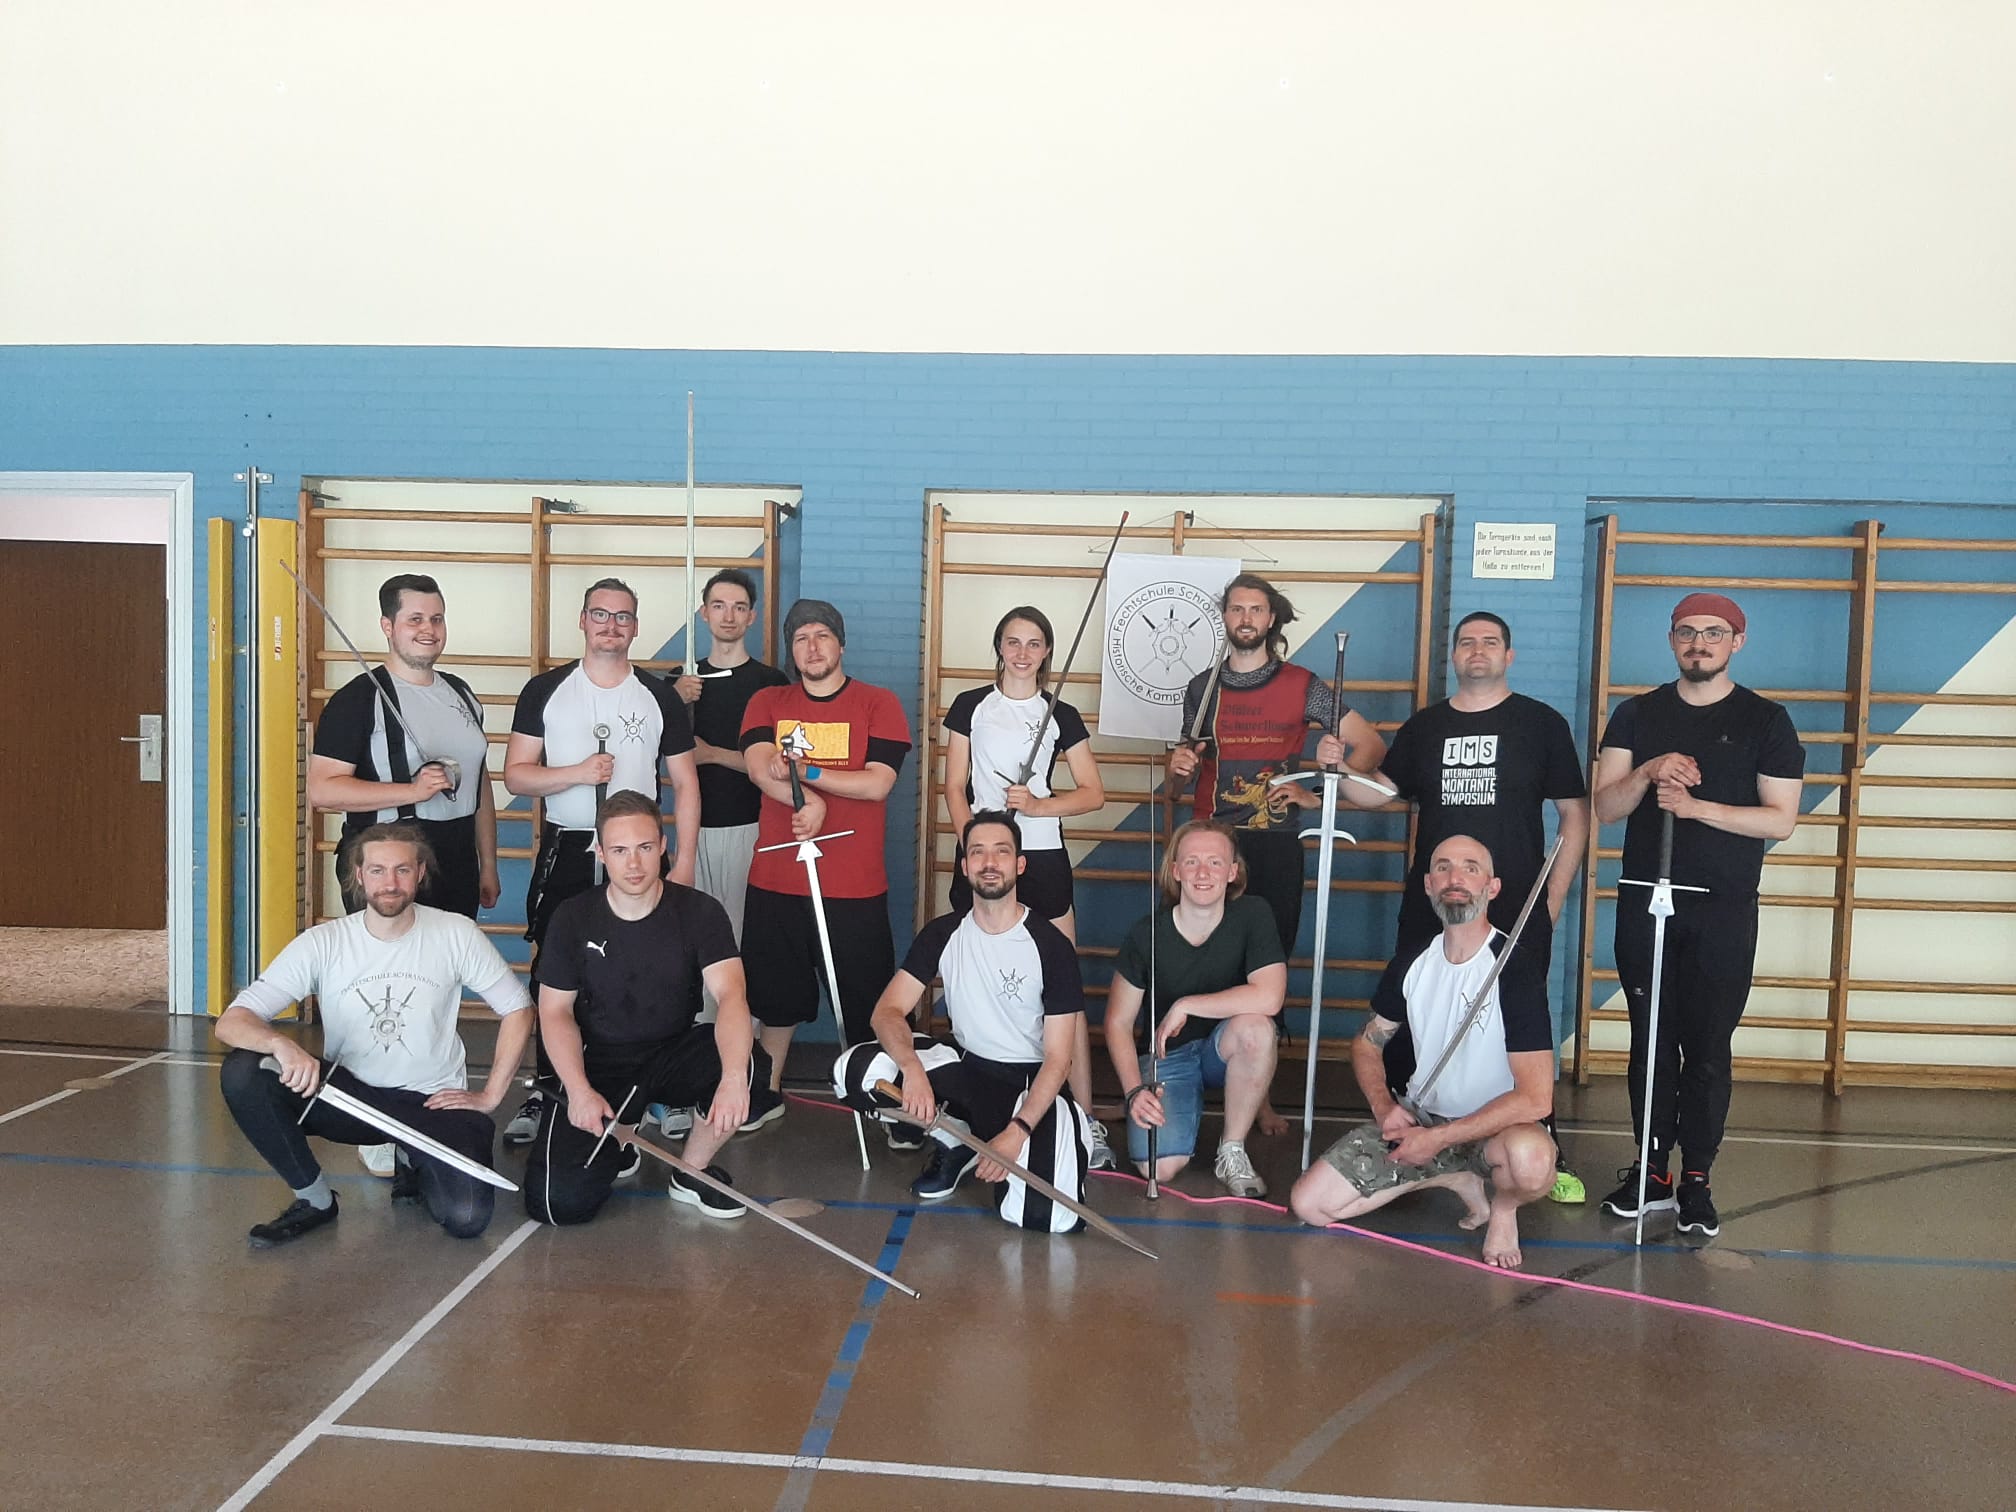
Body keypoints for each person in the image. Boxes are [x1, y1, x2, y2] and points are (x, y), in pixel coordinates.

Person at [1342, 610, 1591, 1202]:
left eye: (1490, 642)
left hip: (1514, 907)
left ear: (1509, 655)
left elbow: (1575, 815)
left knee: (1518, 1028)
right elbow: (1378, 794)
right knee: (1412, 1018)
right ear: (1454, 656)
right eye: (1466, 642)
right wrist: (1339, 767)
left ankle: (1540, 1144)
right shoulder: (1426, 727)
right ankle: (1410, 1136)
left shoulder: (1542, 723)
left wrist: (1553, 896)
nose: (1477, 650)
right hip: (1434, 904)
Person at [1591, 592, 1803, 1236]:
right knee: (1651, 1042)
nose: (1699, 643)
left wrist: (1695, 808)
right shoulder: (1636, 714)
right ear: (1671, 640)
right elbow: (1606, 807)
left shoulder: (1767, 720)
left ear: (1736, 641)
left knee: (1707, 1047)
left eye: (1713, 633)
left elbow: (1780, 821)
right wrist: (1650, 770)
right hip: (1646, 902)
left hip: (1722, 909)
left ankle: (1698, 1178)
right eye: (1687, 632)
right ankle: (1651, 1170)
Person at [214, 824, 533, 1247]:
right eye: (378, 870)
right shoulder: (324, 942)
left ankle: (411, 1158)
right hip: (351, 1099)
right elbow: (232, 1021)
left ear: (420, 873)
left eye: (402, 870)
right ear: (359, 875)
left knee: (467, 1216)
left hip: (433, 1102)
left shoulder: (455, 933)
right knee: (243, 1071)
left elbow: (518, 1008)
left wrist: (490, 1095)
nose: (390, 883)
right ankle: (315, 1199)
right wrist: (281, 1044)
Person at [1167, 573, 1385, 1135]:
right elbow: (1180, 778)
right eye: (1236, 608)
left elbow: (1372, 745)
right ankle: (1181, 1077)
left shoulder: (1303, 684)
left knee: (1266, 965)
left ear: (1272, 618)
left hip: (1276, 844)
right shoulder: (1202, 688)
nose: (1246, 618)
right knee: (1201, 961)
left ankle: (1257, 1095)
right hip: (1212, 846)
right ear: (1225, 616)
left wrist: (1322, 790)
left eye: (1256, 610)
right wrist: (1178, 770)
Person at [307, 572, 501, 1179]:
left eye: (436, 618)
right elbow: (322, 789)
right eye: (415, 619)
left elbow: (480, 787)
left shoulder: (461, 693)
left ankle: (430, 1106)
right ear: (387, 626)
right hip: (385, 858)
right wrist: (410, 790)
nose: (428, 629)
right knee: (383, 989)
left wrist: (488, 862)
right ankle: (374, 1122)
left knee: (437, 988)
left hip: (455, 855)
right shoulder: (357, 699)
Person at [1289, 836, 1557, 1270]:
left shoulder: (1515, 968)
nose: (1456, 878)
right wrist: (1384, 1110)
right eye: (1444, 867)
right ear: (1429, 885)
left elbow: (1536, 1099)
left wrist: (1439, 1141)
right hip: (1424, 1120)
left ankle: (1503, 1208)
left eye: (1471, 868)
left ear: (1492, 888)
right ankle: (1455, 1176)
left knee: (1532, 1162)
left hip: (1496, 1132)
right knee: (1311, 1205)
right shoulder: (1412, 961)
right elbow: (1367, 1042)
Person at [500, 578, 700, 1143]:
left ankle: (658, 1089)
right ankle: (550, 1091)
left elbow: (686, 783)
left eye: (623, 616)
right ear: (583, 620)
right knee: (556, 972)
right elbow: (516, 775)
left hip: (639, 853)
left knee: (657, 967)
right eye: (601, 614)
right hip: (569, 846)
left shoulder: (659, 696)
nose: (611, 625)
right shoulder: (545, 690)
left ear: (635, 627)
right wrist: (577, 773)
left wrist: (684, 861)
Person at [522, 792, 778, 1225]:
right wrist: (579, 1091)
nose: (634, 863)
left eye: (644, 847)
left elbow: (732, 996)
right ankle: (620, 1143)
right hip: (599, 1066)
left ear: (662, 845)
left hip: (672, 1054)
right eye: (620, 850)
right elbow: (554, 1012)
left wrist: (734, 1078)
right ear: (600, 853)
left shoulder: (699, 911)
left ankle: (691, 1172)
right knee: (557, 1205)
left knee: (747, 1061)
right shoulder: (572, 917)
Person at [835, 812, 1093, 1227]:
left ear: (1019, 865)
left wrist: (1017, 1132)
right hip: (965, 1069)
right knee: (855, 1071)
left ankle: (1045, 1133)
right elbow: (887, 1011)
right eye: (978, 853)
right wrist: (911, 1069)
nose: (989, 862)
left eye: (1001, 852)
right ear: (965, 866)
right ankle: (954, 1140)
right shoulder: (943, 933)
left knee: (1047, 1216)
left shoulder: (1051, 946)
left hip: (1025, 1086)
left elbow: (1059, 1059)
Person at [943, 606, 1111, 1167]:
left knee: (1063, 986)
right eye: (1012, 642)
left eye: (1034, 644)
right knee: (975, 978)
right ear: (999, 647)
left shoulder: (1061, 713)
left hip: (1042, 855)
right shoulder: (970, 705)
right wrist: (974, 845)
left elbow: (1092, 793)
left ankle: (1084, 1119)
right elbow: (954, 786)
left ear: (1046, 652)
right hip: (986, 857)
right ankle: (973, 1103)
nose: (1022, 653)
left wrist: (1038, 805)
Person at [739, 599, 912, 1137]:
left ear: (840, 643)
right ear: (790, 650)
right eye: (800, 638)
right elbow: (758, 767)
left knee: (866, 1001)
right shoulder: (768, 701)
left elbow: (878, 782)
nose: (812, 647)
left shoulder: (878, 702)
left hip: (853, 886)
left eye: (822, 636)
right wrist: (805, 802)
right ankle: (766, 1091)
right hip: (777, 880)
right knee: (775, 998)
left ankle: (885, 1099)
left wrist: (808, 776)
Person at [652, 569, 789, 1138]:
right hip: (687, 834)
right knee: (687, 947)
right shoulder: (678, 683)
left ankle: (737, 1067)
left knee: (734, 945)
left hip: (750, 829)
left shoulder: (771, 683)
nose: (728, 615)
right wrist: (672, 701)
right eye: (718, 605)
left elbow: (778, 766)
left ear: (751, 616)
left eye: (738, 606)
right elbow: (652, 757)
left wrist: (715, 755)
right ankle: (690, 1063)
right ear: (703, 612)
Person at [1104, 819, 1288, 1198]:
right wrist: (1135, 1091)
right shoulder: (1147, 932)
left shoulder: (1254, 914)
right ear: (1176, 871)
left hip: (1223, 1048)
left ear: (1232, 872)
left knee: (1257, 1028)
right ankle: (1180, 1105)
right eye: (1192, 862)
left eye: (1215, 862)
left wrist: (1187, 1005)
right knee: (1158, 1168)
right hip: (1167, 1057)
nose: (1203, 873)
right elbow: (1118, 1022)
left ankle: (1232, 1148)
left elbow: (1270, 997)